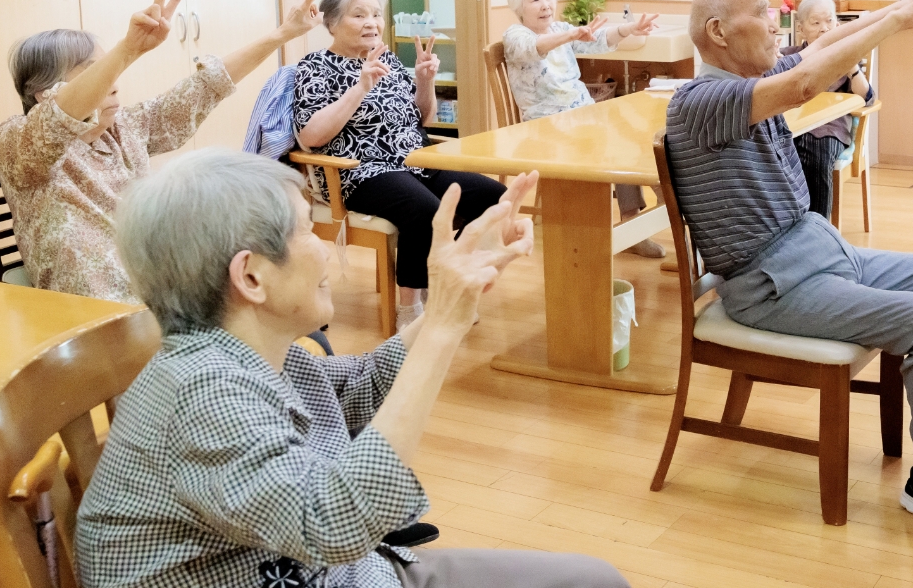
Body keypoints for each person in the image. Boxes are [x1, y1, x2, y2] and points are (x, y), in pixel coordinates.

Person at [76, 149, 630, 588]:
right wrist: (439, 330)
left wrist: (448, 300)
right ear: (250, 277)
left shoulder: (253, 352)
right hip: (327, 566)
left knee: (594, 581)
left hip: (353, 574)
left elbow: (361, 387)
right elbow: (332, 521)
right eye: (306, 232)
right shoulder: (203, 393)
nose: (326, 250)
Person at [663, 0, 913, 540]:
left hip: (818, 250)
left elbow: (822, 45)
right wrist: (899, 22)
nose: (775, 24)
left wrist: (902, 7)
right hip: (771, 287)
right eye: (762, 13)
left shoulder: (751, 82)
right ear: (718, 32)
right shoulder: (700, 102)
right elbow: (803, 83)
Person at [0, 0, 326, 301]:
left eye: (110, 68)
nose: (114, 81)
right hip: (94, 318)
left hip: (161, 297)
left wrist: (283, 34)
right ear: (43, 93)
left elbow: (205, 87)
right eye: (97, 71)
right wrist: (129, 48)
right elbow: (55, 121)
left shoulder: (123, 128)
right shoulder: (14, 142)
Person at [294, 0, 505, 327]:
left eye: (376, 14)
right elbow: (312, 135)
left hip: (418, 160)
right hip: (362, 170)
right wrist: (361, 86)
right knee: (425, 210)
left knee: (493, 197)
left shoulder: (387, 58)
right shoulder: (314, 67)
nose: (372, 23)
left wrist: (424, 81)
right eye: (358, 15)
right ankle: (410, 310)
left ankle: (447, 284)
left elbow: (422, 117)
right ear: (331, 23)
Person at [500, 0, 665, 257]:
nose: (545, 5)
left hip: (583, 117)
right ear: (519, 8)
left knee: (637, 137)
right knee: (624, 144)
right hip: (547, 127)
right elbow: (534, 48)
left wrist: (629, 29)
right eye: (535, 0)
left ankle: (640, 221)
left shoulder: (561, 28)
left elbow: (598, 39)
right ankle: (654, 214)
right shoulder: (516, 36)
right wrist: (570, 35)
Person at [779, 0, 874, 218]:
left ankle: (819, 228)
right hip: (793, 127)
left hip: (830, 128)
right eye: (816, 22)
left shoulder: (846, 56)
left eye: (830, 20)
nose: (825, 28)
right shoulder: (790, 57)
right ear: (800, 28)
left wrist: (852, 68)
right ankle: (789, 227)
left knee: (816, 153)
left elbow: (867, 97)